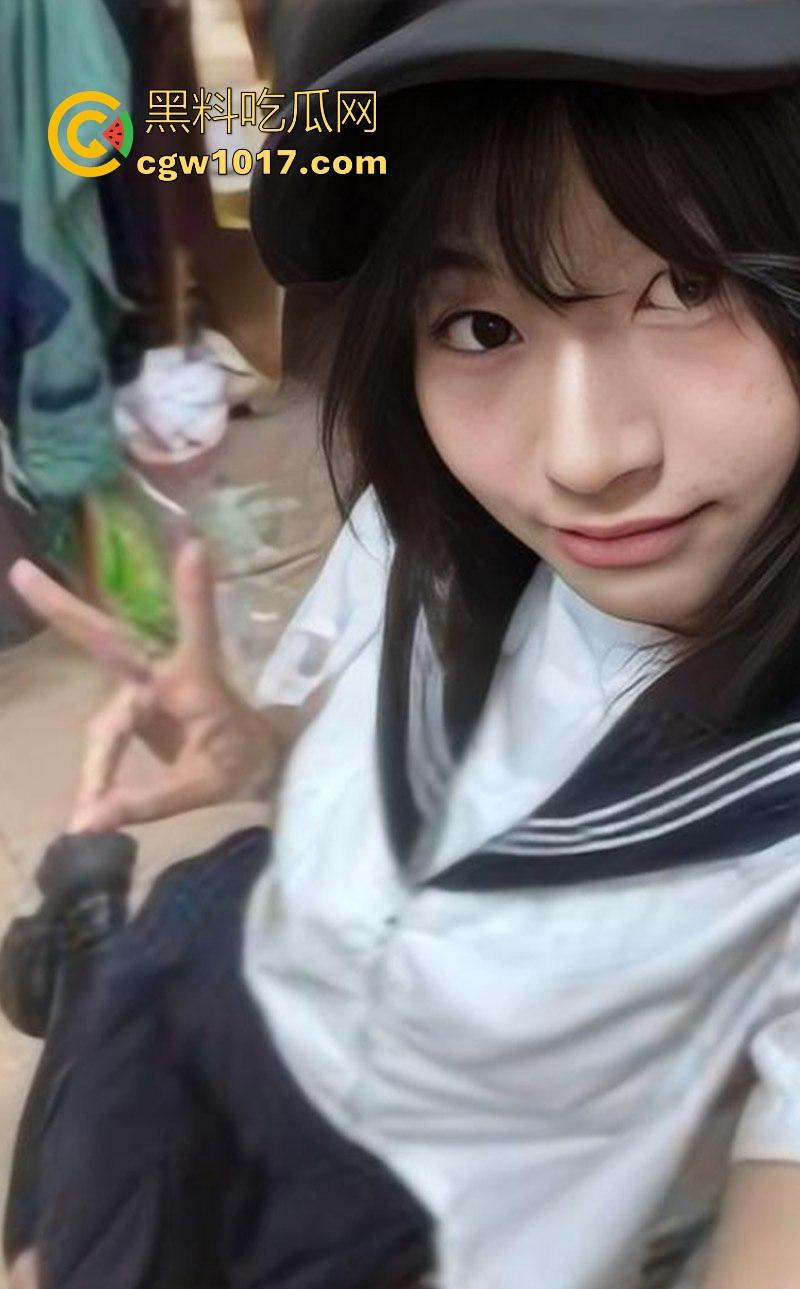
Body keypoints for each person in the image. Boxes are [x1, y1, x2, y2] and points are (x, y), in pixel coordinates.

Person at [7, 2, 800, 1286]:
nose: (582, 459)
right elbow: (400, 755)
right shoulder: (435, 510)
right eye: (480, 325)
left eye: (688, 285)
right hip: (242, 959)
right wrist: (258, 748)